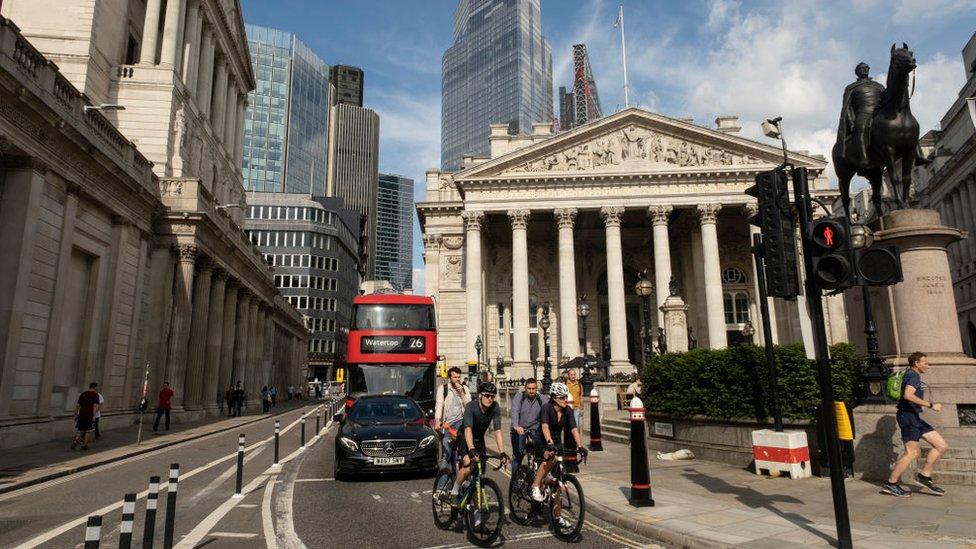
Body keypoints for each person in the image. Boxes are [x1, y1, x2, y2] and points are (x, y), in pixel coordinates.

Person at [883, 352, 950, 497]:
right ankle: (891, 484)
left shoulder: (911, 375)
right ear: (916, 363)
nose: (928, 365)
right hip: (908, 417)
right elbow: (908, 395)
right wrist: (931, 405)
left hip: (914, 417)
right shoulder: (913, 375)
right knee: (911, 453)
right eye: (925, 363)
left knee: (941, 446)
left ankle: (924, 476)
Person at [440, 382, 509, 506]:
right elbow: (468, 430)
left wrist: (502, 452)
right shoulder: (471, 406)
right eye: (487, 395)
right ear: (480, 395)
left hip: (479, 439)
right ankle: (454, 492)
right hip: (464, 436)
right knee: (468, 464)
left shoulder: (495, 407)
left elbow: (498, 431)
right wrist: (471, 449)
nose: (490, 399)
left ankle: (475, 507)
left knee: (480, 472)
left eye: (492, 396)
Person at [530, 382, 587, 527]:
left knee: (558, 483)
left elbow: (574, 429)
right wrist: (549, 444)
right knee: (550, 458)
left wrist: (580, 446)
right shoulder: (546, 408)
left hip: (556, 442)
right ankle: (535, 485)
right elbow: (544, 426)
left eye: (565, 397)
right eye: (562, 397)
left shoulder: (567, 410)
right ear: (554, 397)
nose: (565, 399)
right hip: (542, 440)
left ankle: (557, 517)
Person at [433, 367, 471, 470]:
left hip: (461, 423)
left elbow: (469, 408)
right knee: (446, 455)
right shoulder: (443, 388)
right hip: (447, 425)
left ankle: (462, 480)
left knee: (463, 454)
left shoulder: (465, 389)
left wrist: (462, 393)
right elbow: (439, 405)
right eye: (455, 377)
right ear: (450, 378)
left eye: (459, 377)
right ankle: (442, 484)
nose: (457, 379)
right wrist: (437, 421)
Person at [510, 378, 548, 471]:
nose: (531, 391)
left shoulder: (542, 399)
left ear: (537, 389)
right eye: (529, 388)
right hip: (519, 428)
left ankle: (537, 476)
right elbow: (514, 411)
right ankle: (514, 481)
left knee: (541, 452)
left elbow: (548, 412)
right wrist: (516, 426)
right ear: (525, 388)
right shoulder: (519, 397)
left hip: (534, 428)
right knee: (518, 455)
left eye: (533, 388)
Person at [72, 382, 100, 450]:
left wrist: (75, 415)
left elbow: (78, 405)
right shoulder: (95, 395)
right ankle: (84, 445)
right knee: (88, 431)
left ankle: (76, 440)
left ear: (89, 387)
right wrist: (93, 416)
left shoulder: (83, 394)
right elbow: (95, 406)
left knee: (80, 429)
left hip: (81, 414)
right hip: (89, 415)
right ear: (95, 387)